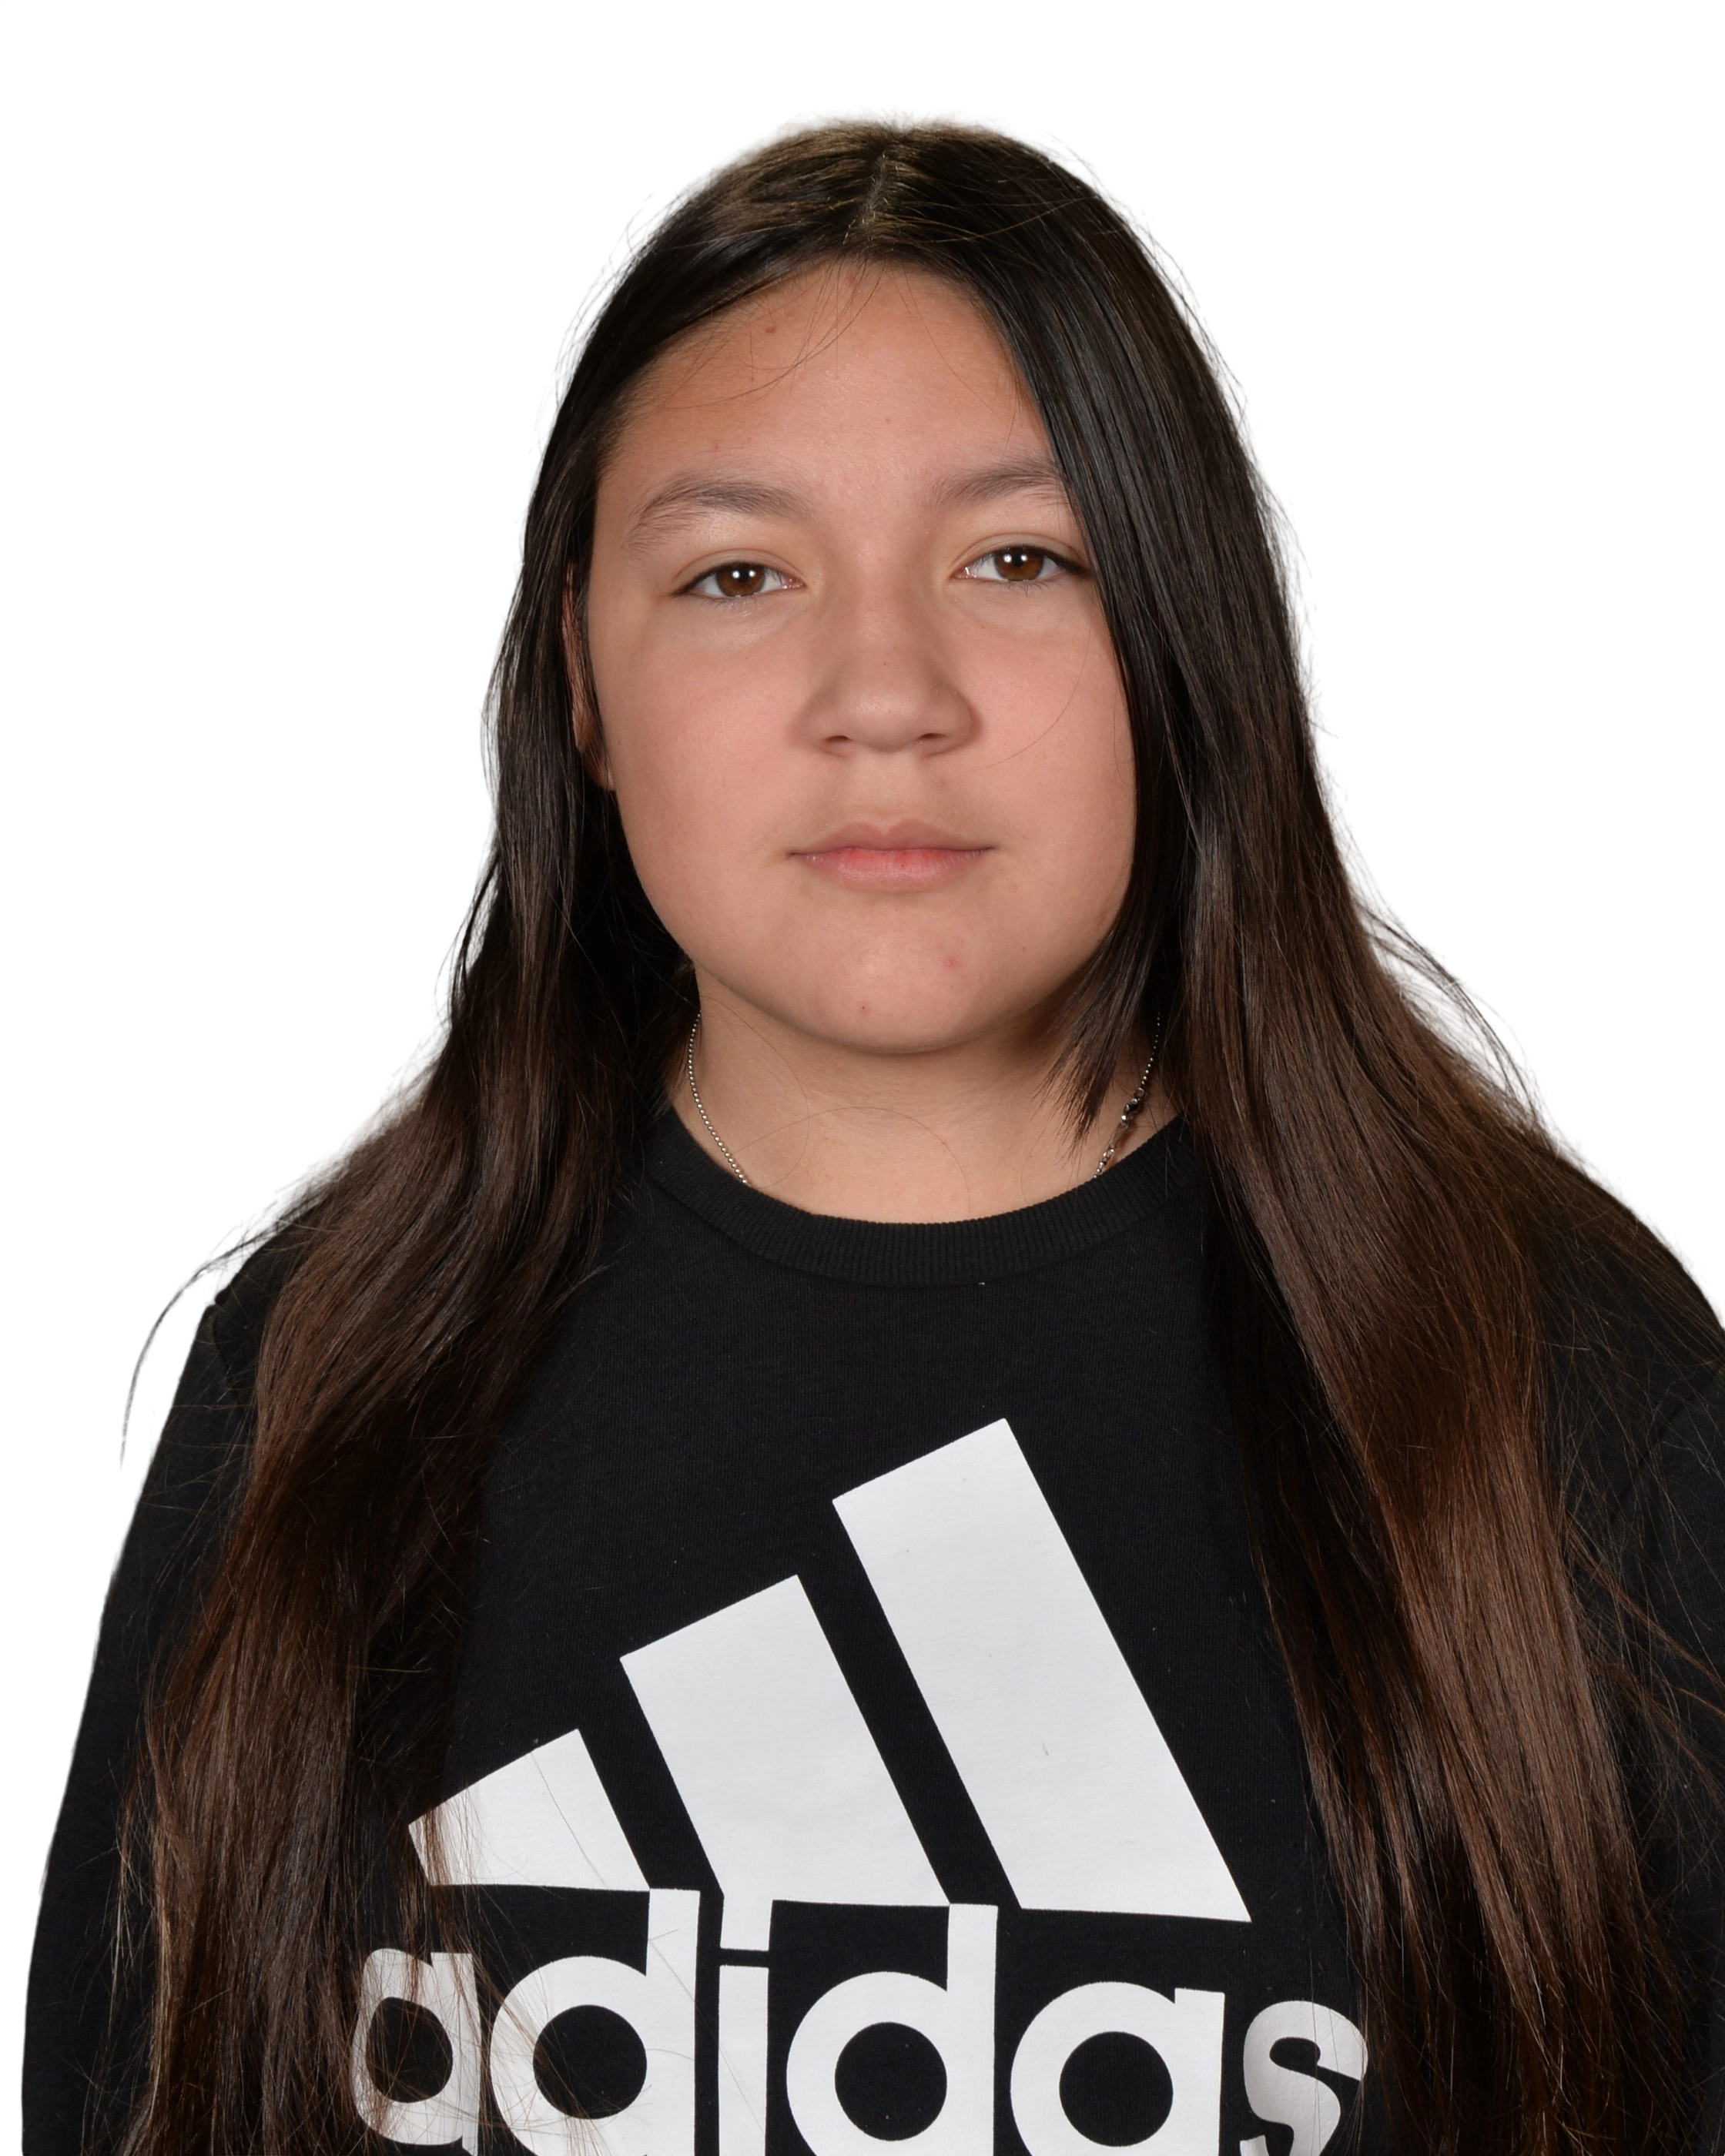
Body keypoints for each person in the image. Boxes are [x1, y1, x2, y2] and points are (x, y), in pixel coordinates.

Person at [20, 99, 1725, 2156]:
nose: (887, 691)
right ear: (581, 681)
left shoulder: (1569, 1393)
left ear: (1186, 642)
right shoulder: (328, 1359)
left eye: (1021, 558)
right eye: (738, 573)